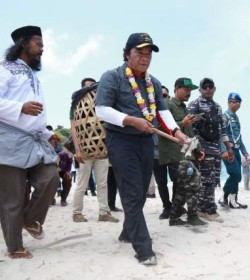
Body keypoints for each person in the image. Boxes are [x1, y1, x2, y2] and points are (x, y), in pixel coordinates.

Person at [95, 32, 187, 265]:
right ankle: (144, 249)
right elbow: (102, 110)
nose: (145, 58)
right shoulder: (112, 77)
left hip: (147, 142)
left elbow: (162, 112)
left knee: (141, 193)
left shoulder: (153, 82)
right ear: (127, 53)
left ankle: (128, 231)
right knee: (133, 192)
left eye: (148, 54)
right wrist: (130, 120)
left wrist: (177, 132)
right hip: (121, 140)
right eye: (140, 52)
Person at [0, 25, 59, 259]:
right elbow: (22, 110)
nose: (42, 50)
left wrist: (46, 133)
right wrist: (19, 108)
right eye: (39, 44)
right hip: (8, 141)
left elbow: (34, 115)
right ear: (24, 43)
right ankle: (15, 247)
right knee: (12, 199)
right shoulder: (5, 69)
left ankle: (31, 219)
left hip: (34, 141)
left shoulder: (34, 76)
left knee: (50, 176)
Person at [158, 77, 207, 226]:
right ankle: (192, 216)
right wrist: (181, 123)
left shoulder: (184, 108)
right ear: (176, 89)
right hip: (174, 154)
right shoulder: (167, 105)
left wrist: (199, 149)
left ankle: (174, 217)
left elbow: (189, 132)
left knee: (182, 188)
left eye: (190, 90)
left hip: (187, 153)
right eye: (185, 89)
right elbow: (160, 129)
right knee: (194, 181)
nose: (188, 93)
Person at [70, 78, 118, 223]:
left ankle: (104, 212)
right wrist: (77, 150)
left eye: (93, 86)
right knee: (82, 183)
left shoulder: (102, 103)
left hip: (102, 150)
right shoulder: (76, 105)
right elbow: (74, 128)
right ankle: (76, 212)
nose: (91, 88)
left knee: (102, 183)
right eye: (88, 86)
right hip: (85, 151)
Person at [188, 78, 233, 223]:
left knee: (213, 180)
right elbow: (190, 129)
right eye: (204, 87)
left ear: (214, 89)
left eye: (210, 86)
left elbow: (222, 129)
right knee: (206, 180)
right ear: (200, 89)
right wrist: (197, 149)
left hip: (216, 150)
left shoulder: (218, 107)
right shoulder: (195, 105)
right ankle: (207, 210)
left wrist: (228, 147)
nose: (208, 89)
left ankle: (205, 208)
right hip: (202, 148)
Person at [220, 93, 250, 209]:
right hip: (229, 149)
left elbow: (238, 137)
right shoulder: (225, 116)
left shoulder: (235, 117)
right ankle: (224, 197)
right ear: (228, 102)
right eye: (233, 101)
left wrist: (245, 152)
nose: (236, 104)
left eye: (238, 102)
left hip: (236, 149)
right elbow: (221, 134)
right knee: (235, 174)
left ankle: (233, 200)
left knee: (237, 176)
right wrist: (224, 150)